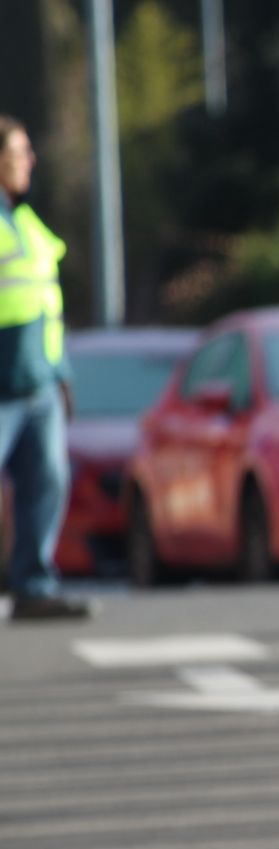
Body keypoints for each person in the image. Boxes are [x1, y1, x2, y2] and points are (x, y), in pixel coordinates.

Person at [0, 116, 92, 623]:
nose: (29, 161)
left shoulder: (27, 224)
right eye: (19, 151)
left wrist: (61, 374)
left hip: (37, 387)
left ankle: (33, 585)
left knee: (47, 483)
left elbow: (46, 308)